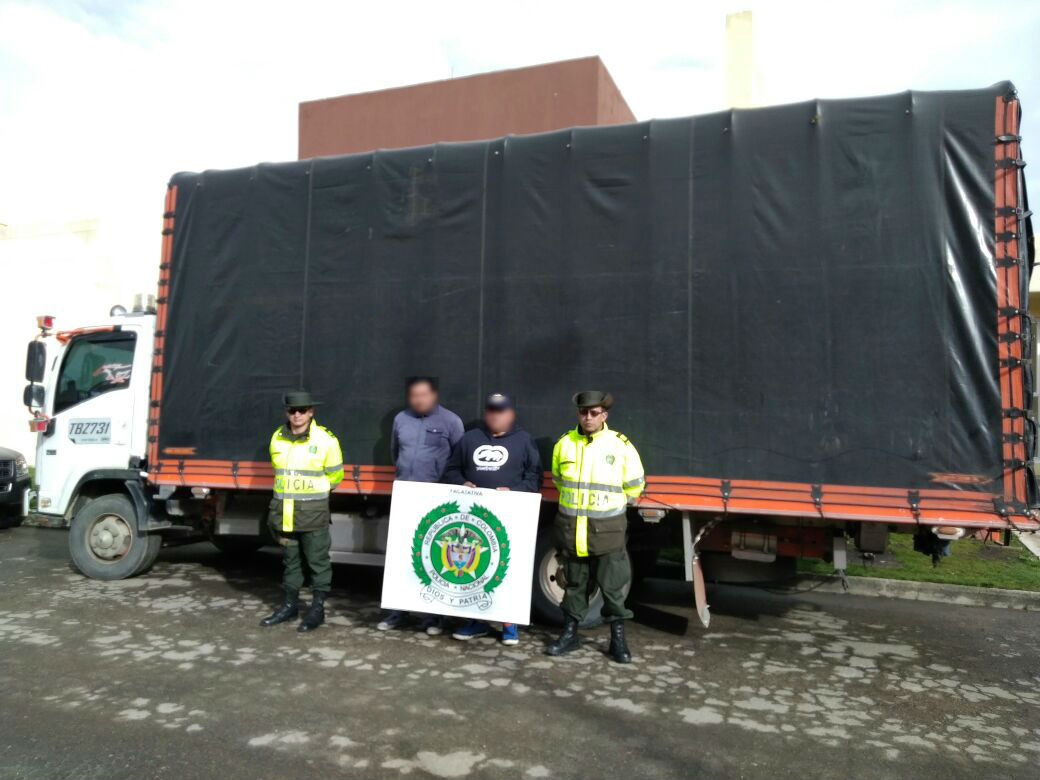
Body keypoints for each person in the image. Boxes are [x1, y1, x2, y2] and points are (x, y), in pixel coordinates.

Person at [545, 391, 645, 663]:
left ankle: (617, 640)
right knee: (574, 585)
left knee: (612, 589)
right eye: (583, 412)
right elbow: (558, 480)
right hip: (572, 530)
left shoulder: (620, 446)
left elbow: (635, 487)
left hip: (607, 532)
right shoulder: (564, 444)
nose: (587, 417)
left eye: (594, 412)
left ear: (604, 415)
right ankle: (570, 635)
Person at [441, 392, 542, 645]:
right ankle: (474, 621)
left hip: (511, 518)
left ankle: (510, 624)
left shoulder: (524, 440)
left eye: (502, 410)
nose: (496, 415)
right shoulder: (470, 439)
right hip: (474, 522)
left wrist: (514, 491)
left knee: (509, 569)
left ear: (511, 413)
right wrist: (462, 483)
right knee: (476, 567)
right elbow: (451, 469)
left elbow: (535, 476)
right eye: (492, 410)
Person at [377, 376, 464, 635]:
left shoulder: (451, 421)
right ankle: (397, 612)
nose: (419, 400)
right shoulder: (401, 419)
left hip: (437, 498)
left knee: (432, 559)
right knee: (401, 557)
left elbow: (458, 460)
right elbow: (396, 452)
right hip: (405, 495)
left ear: (434, 395)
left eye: (424, 394)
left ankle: (434, 618)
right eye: (414, 395)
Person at [260, 391, 344, 633]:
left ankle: (317, 609)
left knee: (318, 562)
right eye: (292, 410)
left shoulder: (326, 440)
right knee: (290, 562)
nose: (297, 415)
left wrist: (316, 491)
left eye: (302, 410)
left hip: (313, 513)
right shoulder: (277, 437)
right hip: (284, 513)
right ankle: (290, 606)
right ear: (286, 412)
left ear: (311, 412)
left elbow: (336, 476)